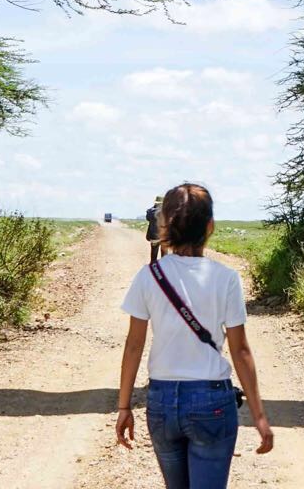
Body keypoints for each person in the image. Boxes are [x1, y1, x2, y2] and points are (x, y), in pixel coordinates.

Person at [115, 183, 273, 488]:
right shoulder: (226, 278)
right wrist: (259, 415)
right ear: (210, 227)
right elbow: (240, 351)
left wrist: (123, 407)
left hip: (161, 402)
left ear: (164, 226)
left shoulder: (149, 276)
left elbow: (134, 346)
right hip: (211, 401)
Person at [145, 195, 162, 261]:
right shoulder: (166, 211)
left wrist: (153, 207)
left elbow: (148, 218)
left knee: (154, 255)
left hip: (154, 236)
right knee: (164, 255)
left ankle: (153, 267)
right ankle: (163, 268)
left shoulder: (150, 212)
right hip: (164, 236)